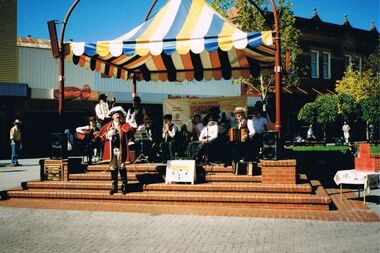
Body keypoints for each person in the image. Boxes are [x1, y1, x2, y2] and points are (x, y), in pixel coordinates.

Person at [98, 106, 134, 195]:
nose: (118, 116)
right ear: (112, 116)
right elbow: (101, 138)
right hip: (111, 150)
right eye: (116, 114)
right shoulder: (107, 126)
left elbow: (131, 131)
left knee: (122, 167)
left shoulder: (124, 125)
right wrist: (108, 135)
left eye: (119, 114)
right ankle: (114, 187)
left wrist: (130, 125)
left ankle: (125, 186)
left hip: (121, 150)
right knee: (113, 168)